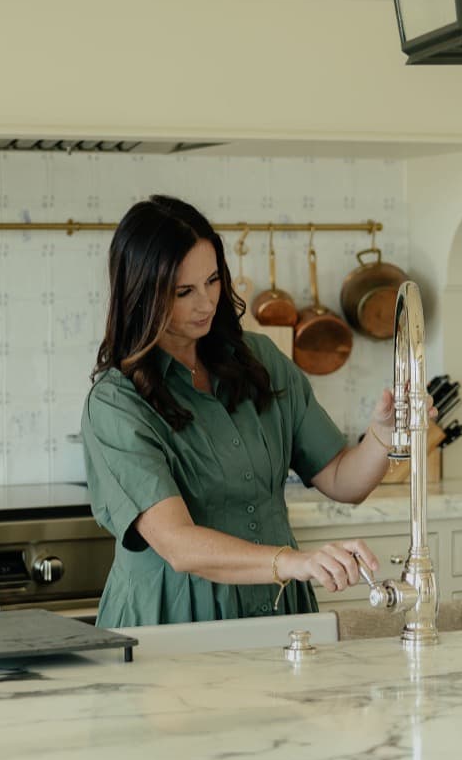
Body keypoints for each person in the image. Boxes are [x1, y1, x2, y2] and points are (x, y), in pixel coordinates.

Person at [81, 195, 429, 628]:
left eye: (212, 281)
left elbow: (342, 479)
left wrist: (382, 434)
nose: (206, 303)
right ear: (141, 294)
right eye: (184, 292)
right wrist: (293, 562)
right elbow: (178, 545)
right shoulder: (117, 403)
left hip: (279, 611)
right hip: (174, 622)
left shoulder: (259, 360)